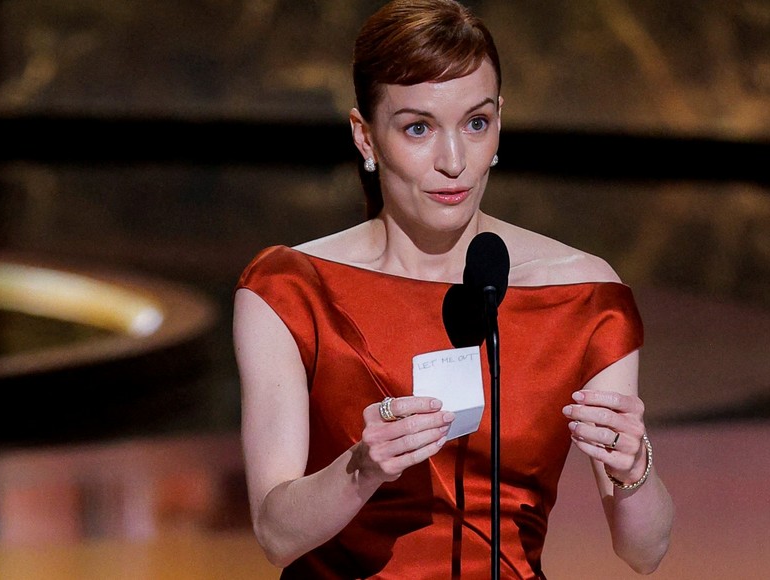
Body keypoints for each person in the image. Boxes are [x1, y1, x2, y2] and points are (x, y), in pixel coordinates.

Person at [233, 0, 674, 577]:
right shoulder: (291, 291)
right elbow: (275, 534)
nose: (454, 161)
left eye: (476, 123)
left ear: (499, 125)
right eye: (418, 128)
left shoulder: (584, 295)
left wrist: (632, 466)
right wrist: (363, 468)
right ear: (366, 139)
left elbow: (645, 551)